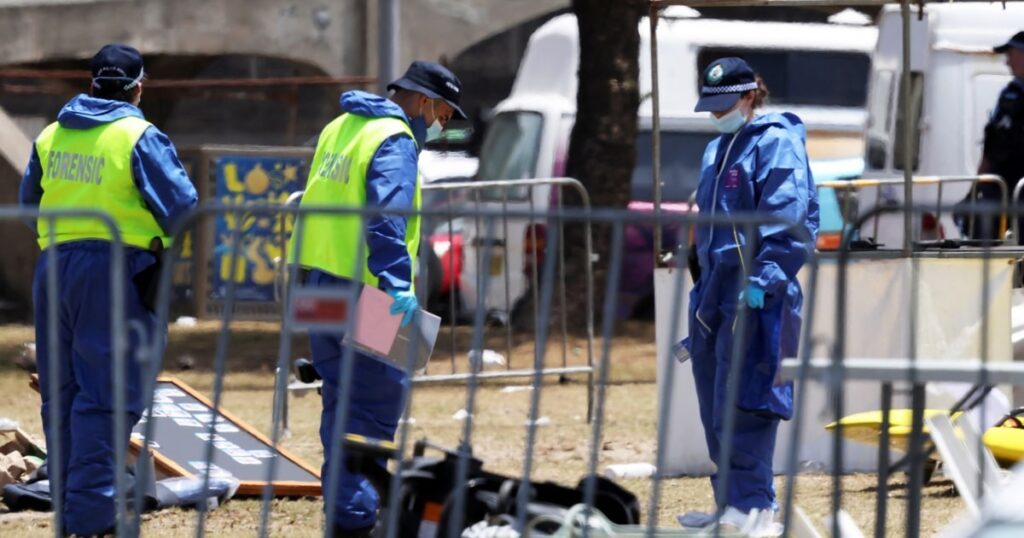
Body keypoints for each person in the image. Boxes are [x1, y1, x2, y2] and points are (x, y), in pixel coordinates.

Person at [18, 43, 198, 535]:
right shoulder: (138, 135)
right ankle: (93, 518)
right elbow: (183, 206)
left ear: (91, 83)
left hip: (55, 268)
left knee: (63, 394)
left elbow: (28, 201)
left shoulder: (51, 135)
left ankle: (78, 511)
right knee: (108, 394)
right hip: (117, 269)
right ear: (139, 88)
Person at [287, 60, 465, 537]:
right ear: (424, 101)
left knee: (339, 403)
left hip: (317, 285)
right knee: (371, 406)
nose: (440, 125)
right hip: (366, 293)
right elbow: (387, 216)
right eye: (442, 114)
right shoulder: (394, 140)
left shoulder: (340, 127)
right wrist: (397, 287)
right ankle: (355, 521)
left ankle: (343, 512)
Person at [678, 57, 819, 535]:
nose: (718, 114)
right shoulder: (718, 149)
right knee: (715, 402)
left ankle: (754, 507)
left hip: (761, 296)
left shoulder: (776, 143)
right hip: (716, 296)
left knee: (751, 401)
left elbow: (788, 220)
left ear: (750, 97)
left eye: (725, 104)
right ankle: (730, 505)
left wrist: (764, 280)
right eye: (711, 106)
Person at [960, 31, 1024, 242]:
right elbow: (992, 145)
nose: (1007, 62)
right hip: (1000, 192)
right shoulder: (1010, 95)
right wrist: (974, 191)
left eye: (1012, 54)